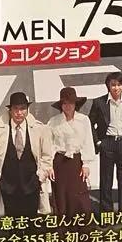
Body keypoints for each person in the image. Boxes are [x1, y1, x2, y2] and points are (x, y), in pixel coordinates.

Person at [0, 92, 53, 217]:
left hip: (32, 183)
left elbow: (47, 155)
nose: (19, 112)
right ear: (10, 110)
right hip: (7, 185)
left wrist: (40, 176)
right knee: (11, 220)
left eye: (22, 108)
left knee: (31, 220)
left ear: (27, 110)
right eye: (15, 109)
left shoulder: (39, 129)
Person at [91, 72, 122, 213]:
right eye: (113, 85)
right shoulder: (99, 102)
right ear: (108, 86)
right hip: (107, 143)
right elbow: (90, 123)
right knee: (106, 180)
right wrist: (98, 142)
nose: (116, 88)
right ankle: (106, 211)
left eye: (119, 85)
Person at [47, 87, 95, 216]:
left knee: (79, 195)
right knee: (61, 195)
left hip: (76, 161)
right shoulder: (53, 121)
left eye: (71, 103)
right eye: (64, 103)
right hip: (59, 162)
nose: (67, 106)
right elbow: (49, 144)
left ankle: (81, 224)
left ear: (75, 104)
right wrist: (49, 166)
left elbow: (87, 142)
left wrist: (86, 164)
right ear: (61, 105)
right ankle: (63, 225)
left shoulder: (84, 120)